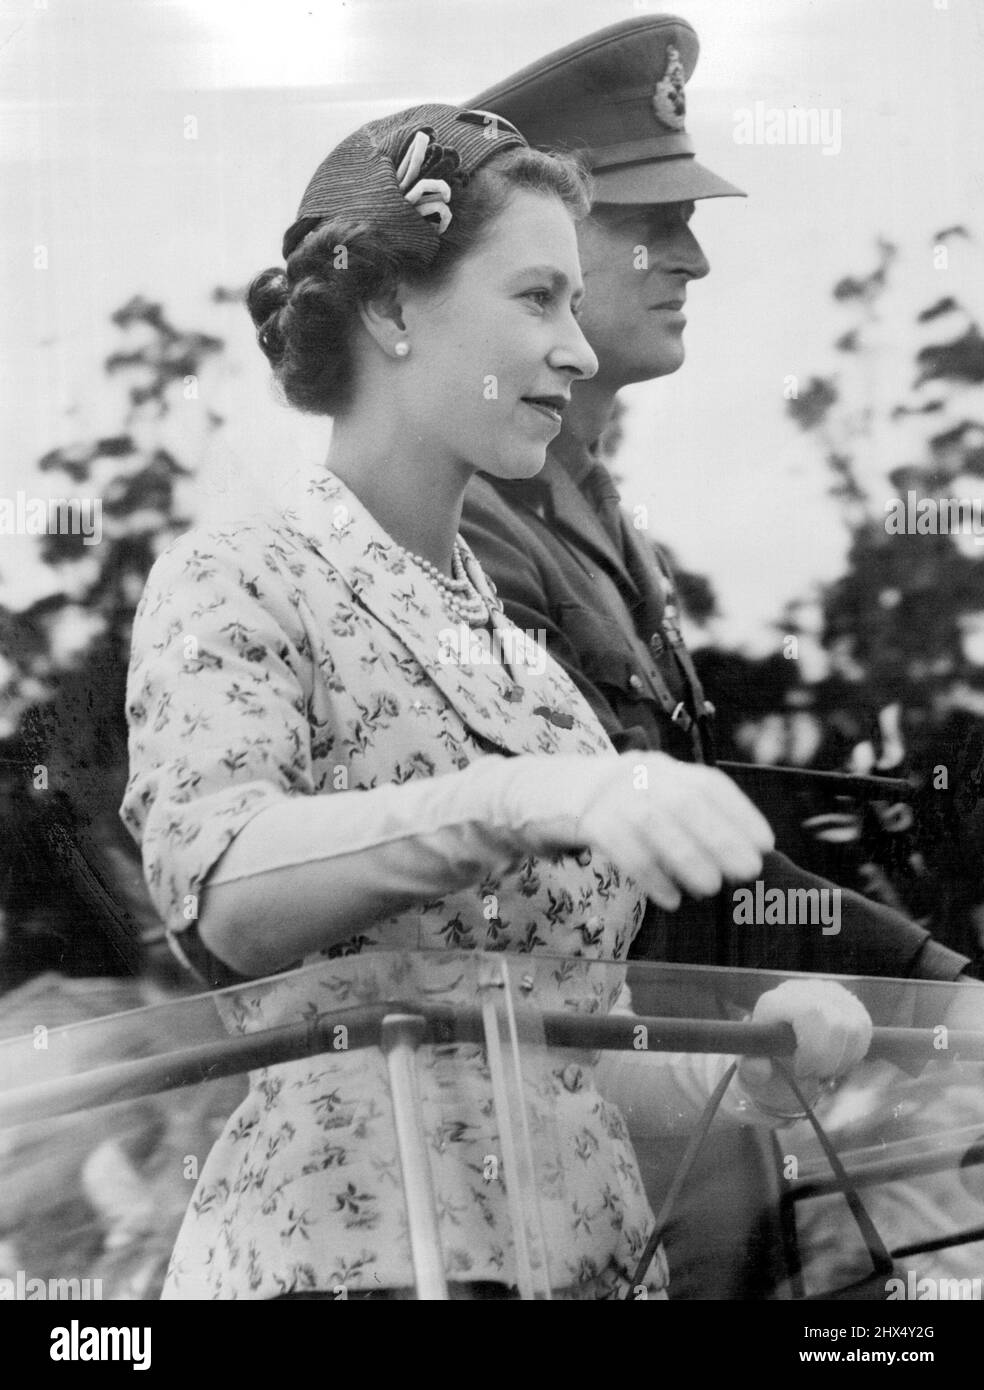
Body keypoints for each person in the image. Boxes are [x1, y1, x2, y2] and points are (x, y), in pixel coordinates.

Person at [119, 102, 873, 1300]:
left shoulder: (527, 668)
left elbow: (570, 1057)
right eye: (538, 299)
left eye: (577, 305)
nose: (576, 350)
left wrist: (752, 1063)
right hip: (349, 1269)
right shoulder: (237, 577)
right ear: (390, 309)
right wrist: (524, 795)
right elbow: (223, 888)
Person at [459, 14, 976, 986]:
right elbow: (635, 885)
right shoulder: (474, 529)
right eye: (656, 226)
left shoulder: (599, 514)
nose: (696, 259)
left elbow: (713, 853)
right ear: (539, 245)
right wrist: (930, 988)